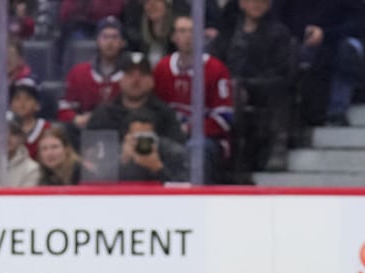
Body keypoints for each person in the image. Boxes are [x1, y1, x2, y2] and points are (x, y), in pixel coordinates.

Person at [208, 0, 295, 172]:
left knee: (278, 89)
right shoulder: (229, 32)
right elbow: (215, 60)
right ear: (241, 4)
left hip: (264, 86)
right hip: (231, 86)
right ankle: (226, 148)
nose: (256, 4)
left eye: (262, 1)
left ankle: (277, 146)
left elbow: (283, 70)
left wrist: (246, 82)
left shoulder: (279, 33)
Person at [153, 14, 233, 181]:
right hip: (170, 137)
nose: (188, 36)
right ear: (174, 37)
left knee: (195, 149)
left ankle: (198, 198)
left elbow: (225, 117)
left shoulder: (216, 69)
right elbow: (155, 109)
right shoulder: (162, 69)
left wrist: (189, 129)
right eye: (182, 31)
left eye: (192, 31)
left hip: (208, 140)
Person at [87, 52, 185, 146]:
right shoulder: (104, 114)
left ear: (152, 81)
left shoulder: (165, 115)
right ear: (120, 80)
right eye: (130, 74)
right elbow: (90, 152)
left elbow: (178, 151)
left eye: (142, 74)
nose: (136, 80)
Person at [58, 16, 126, 127]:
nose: (110, 42)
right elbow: (64, 108)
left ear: (122, 42)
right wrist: (75, 118)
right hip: (86, 131)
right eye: (105, 37)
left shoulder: (131, 73)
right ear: (97, 41)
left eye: (115, 37)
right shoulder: (79, 72)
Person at [119, 108, 189, 182]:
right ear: (127, 137)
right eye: (138, 137)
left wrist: (158, 168)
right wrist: (123, 162)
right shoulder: (120, 151)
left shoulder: (174, 153)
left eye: (147, 137)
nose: (143, 142)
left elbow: (184, 187)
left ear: (156, 136)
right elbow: (108, 185)